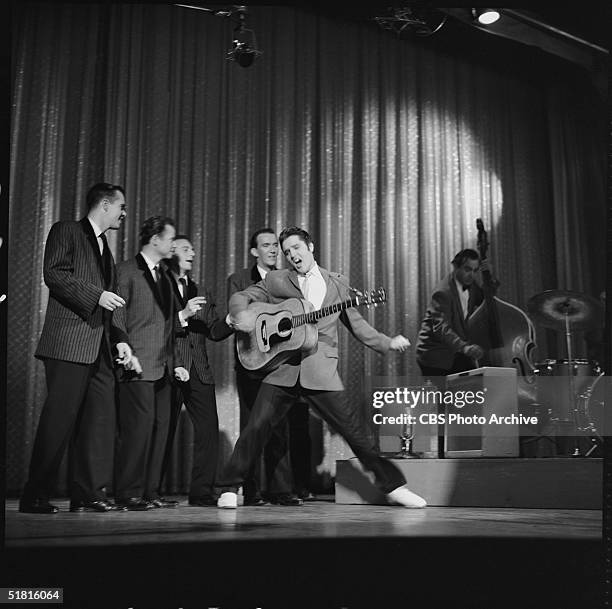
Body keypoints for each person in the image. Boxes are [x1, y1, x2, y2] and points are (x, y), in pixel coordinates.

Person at [217, 226, 426, 509]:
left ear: (310, 247)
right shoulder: (278, 279)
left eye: (297, 248)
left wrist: (388, 343)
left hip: (321, 369)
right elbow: (243, 296)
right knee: (256, 427)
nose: (292, 255)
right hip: (283, 368)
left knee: (354, 432)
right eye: (287, 251)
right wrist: (239, 313)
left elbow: (358, 326)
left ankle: (393, 486)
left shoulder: (337, 283)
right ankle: (230, 487)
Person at [19, 182, 132, 514]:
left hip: (99, 347)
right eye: (121, 207)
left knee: (97, 421)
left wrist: (122, 340)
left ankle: (87, 492)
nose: (124, 213)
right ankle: (34, 494)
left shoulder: (105, 249)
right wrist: (95, 295)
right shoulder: (66, 230)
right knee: (59, 421)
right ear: (105, 205)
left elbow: (112, 303)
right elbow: (54, 274)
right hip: (68, 343)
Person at [113, 216, 188, 510]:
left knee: (160, 429)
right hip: (138, 363)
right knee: (137, 430)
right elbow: (117, 315)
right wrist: (125, 349)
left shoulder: (166, 276)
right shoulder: (126, 271)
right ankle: (127, 492)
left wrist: (178, 362)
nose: (174, 245)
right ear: (155, 239)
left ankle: (150, 491)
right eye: (170, 239)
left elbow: (171, 322)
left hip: (164, 365)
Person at [226, 228, 301, 506]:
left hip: (280, 363)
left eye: (275, 246)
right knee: (252, 428)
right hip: (251, 363)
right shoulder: (239, 280)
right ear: (254, 251)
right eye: (266, 245)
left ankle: (280, 489)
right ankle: (250, 490)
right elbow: (237, 317)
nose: (273, 250)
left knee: (279, 428)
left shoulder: (286, 279)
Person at [158, 235, 232, 506]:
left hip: (199, 368)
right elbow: (154, 325)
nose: (192, 253)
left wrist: (231, 321)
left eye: (192, 249)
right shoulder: (159, 285)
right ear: (171, 251)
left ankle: (201, 492)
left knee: (208, 431)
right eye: (185, 248)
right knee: (163, 429)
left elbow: (213, 330)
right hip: (169, 365)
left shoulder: (200, 290)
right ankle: (150, 491)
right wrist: (183, 314)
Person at [415, 248, 495, 379]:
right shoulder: (443, 292)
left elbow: (489, 300)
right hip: (435, 353)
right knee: (445, 397)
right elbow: (440, 327)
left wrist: (489, 275)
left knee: (474, 386)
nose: (472, 275)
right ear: (455, 267)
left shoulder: (472, 285)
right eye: (467, 269)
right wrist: (464, 348)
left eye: (475, 271)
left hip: (456, 348)